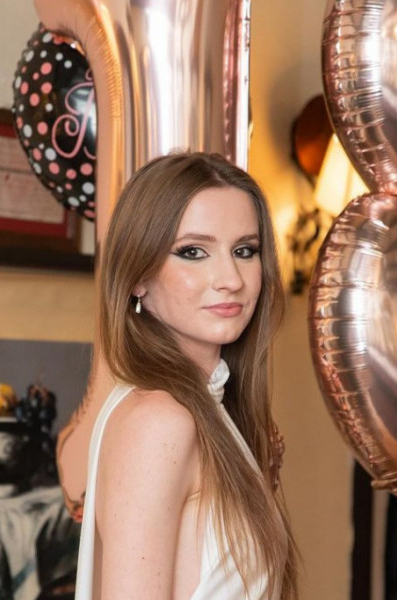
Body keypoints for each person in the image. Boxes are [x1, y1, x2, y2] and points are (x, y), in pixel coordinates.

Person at [73, 152, 299, 600]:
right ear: (138, 277)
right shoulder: (159, 420)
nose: (230, 278)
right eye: (193, 252)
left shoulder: (206, 409)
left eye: (244, 251)